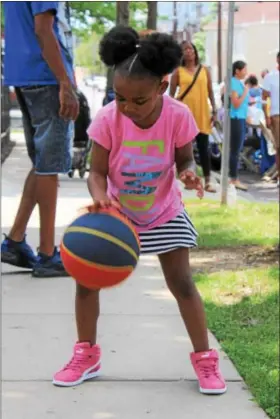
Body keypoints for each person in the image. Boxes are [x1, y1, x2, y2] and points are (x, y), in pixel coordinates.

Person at [52, 26, 227, 395]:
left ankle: (205, 359)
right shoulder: (107, 119)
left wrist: (189, 175)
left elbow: (184, 159)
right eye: (120, 98)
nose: (128, 108)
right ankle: (87, 354)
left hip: (163, 210)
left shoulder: (178, 116)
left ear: (162, 87)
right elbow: (96, 173)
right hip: (116, 214)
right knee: (86, 282)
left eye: (139, 100)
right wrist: (100, 198)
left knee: (182, 284)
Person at [1, 2, 79, 277]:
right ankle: (47, 253)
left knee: (42, 163)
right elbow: (43, 30)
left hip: (23, 75)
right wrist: (65, 83)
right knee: (50, 166)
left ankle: (15, 240)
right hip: (46, 77)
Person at [169, 42, 217, 193]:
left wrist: (214, 110)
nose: (188, 52)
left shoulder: (204, 70)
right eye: (185, 50)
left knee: (204, 148)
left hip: (201, 113)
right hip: (183, 116)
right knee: (183, 150)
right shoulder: (178, 71)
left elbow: (210, 91)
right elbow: (171, 95)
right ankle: (187, 178)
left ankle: (208, 180)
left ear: (195, 52)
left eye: (190, 49)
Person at [229, 60, 249, 191]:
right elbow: (235, 103)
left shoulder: (238, 83)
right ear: (237, 70)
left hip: (240, 118)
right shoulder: (234, 83)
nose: (246, 72)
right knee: (235, 150)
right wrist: (246, 92)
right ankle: (233, 179)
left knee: (237, 149)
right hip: (236, 118)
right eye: (244, 70)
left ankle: (234, 178)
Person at [262, 52, 280, 187]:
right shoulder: (270, 77)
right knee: (278, 148)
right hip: (276, 115)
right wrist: (266, 116)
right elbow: (264, 98)